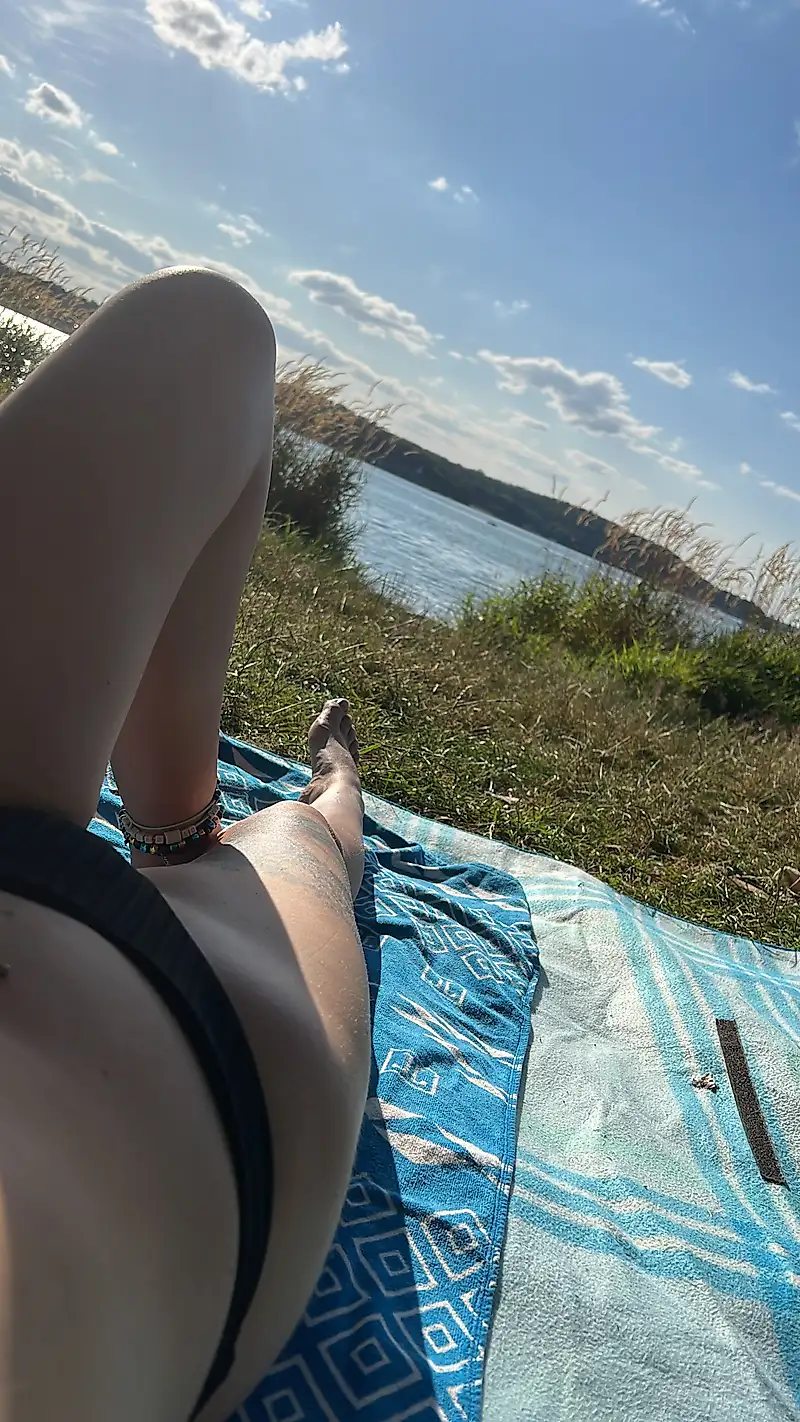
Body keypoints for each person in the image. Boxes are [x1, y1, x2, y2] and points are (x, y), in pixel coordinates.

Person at [0, 267, 371, 1422]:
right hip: (191, 1076)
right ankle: (287, 792)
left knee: (206, 332)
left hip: (117, 1028)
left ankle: (192, 821)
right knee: (302, 839)